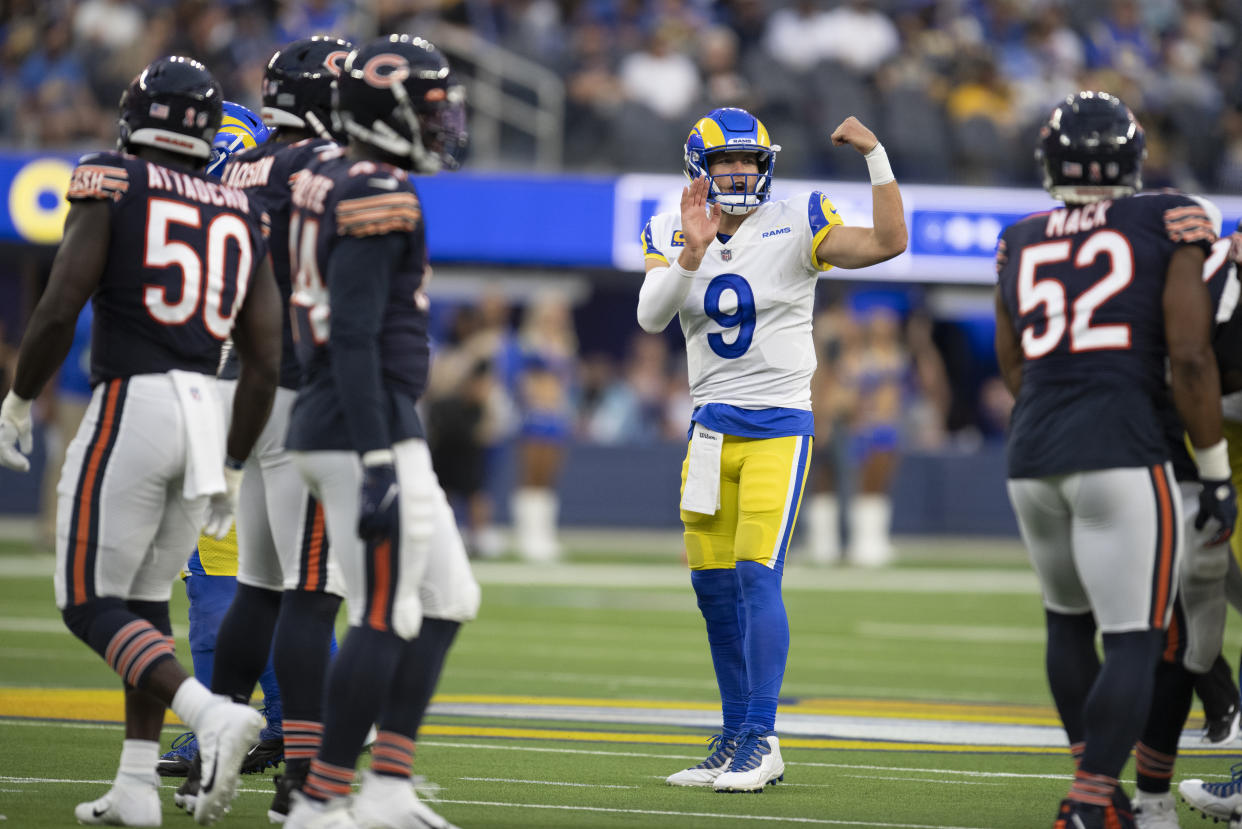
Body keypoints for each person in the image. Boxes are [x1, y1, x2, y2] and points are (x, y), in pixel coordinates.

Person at [0, 55, 283, 826]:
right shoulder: (242, 206)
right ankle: (135, 783)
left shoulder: (113, 179)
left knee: (86, 599)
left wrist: (21, 395)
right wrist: (227, 459)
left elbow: (62, 304)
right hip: (206, 408)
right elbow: (266, 356)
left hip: (134, 396)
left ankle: (210, 712)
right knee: (148, 600)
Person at [637, 106, 907, 792]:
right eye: (727, 161)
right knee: (711, 589)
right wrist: (692, 252)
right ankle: (732, 737)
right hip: (707, 431)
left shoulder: (799, 216)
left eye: (749, 162)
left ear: (767, 167)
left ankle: (762, 736)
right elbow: (650, 314)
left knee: (758, 576)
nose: (739, 172)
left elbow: (887, 242)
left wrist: (875, 156)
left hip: (777, 426)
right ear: (701, 166)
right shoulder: (671, 226)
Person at [993, 91, 1236, 829]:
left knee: (1066, 623)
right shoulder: (1169, 216)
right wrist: (1218, 473)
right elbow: (1192, 358)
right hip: (1122, 444)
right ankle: (1095, 796)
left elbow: (1013, 366)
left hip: (1032, 448)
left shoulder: (1019, 236)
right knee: (1138, 634)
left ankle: (1096, 787)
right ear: (1132, 158)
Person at [280, 34, 474, 829]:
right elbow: (352, 333)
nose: (442, 125)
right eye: (427, 111)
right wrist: (374, 454)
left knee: (447, 595)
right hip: (363, 422)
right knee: (386, 610)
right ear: (384, 113)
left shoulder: (329, 173)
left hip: (364, 416)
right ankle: (320, 798)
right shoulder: (375, 191)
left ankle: (387, 783)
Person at [162, 41, 356, 822]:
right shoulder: (324, 172)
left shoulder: (233, 168)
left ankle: (218, 741)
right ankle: (305, 777)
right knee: (311, 596)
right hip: (306, 389)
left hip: (238, 389)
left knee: (260, 587)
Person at [156, 99, 286, 783]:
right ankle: (305, 720)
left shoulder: (212, 212)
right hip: (287, 401)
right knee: (287, 577)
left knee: (216, 574)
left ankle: (222, 724)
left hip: (230, 397)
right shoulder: (283, 198)